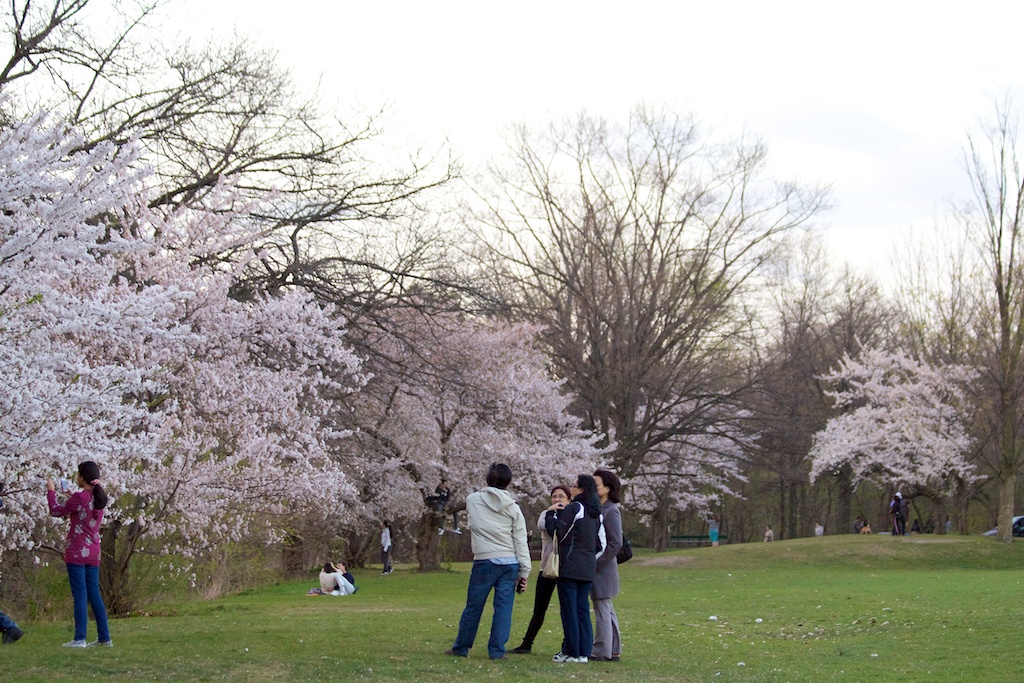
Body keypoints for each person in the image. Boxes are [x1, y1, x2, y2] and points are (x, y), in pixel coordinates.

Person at [446, 463, 531, 660]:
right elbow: (520, 540)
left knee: (473, 606)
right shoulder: (513, 508)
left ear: (487, 479)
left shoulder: (473, 501)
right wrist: (524, 572)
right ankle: (496, 651)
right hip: (509, 562)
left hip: (484, 560)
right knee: (503, 609)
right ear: (508, 483)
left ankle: (461, 647)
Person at [46, 461, 112, 648]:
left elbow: (55, 511)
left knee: (80, 594)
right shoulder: (99, 498)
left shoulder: (80, 498)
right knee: (94, 594)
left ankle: (80, 638)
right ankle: (104, 637)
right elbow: (84, 508)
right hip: (94, 552)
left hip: (76, 551)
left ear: (82, 477)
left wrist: (51, 491)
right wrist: (70, 496)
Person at [510, 484, 571, 655]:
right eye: (554, 496)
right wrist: (552, 511)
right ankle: (527, 643)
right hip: (547, 567)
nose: (557, 500)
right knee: (539, 608)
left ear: (569, 499)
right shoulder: (546, 514)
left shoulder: (573, 515)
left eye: (561, 496)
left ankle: (568, 645)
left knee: (567, 608)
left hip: (566, 568)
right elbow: (546, 527)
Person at [548, 474, 602, 664]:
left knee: (569, 609)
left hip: (570, 565)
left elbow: (559, 533)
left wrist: (551, 514)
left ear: (581, 489)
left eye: (574, 486)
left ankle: (571, 651)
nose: (571, 489)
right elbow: (599, 543)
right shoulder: (596, 512)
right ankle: (583, 652)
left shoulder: (575, 508)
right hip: (587, 567)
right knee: (582, 609)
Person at [591, 469, 623, 663]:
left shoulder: (611, 511)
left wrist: (597, 563)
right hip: (603, 567)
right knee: (607, 609)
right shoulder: (600, 509)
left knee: (602, 607)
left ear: (608, 488)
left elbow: (615, 543)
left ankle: (601, 650)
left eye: (597, 485)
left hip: (604, 568)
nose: (594, 488)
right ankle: (613, 649)